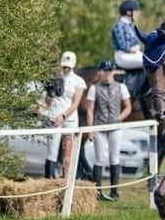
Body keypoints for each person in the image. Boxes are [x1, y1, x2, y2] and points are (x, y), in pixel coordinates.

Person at [84, 60, 132, 201]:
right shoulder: (94, 88)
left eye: (110, 70)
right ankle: (98, 191)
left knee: (114, 157)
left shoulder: (121, 87)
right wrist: (90, 129)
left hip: (115, 126)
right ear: (101, 72)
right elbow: (90, 110)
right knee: (99, 158)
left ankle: (114, 191)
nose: (107, 73)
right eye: (105, 70)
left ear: (113, 72)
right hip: (100, 125)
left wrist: (119, 118)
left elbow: (128, 106)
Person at [43, 51, 87, 179]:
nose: (66, 68)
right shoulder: (54, 78)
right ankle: (49, 180)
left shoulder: (78, 81)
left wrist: (63, 116)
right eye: (64, 65)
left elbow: (75, 103)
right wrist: (39, 109)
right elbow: (48, 100)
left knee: (67, 150)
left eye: (68, 65)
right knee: (52, 149)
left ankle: (66, 179)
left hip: (69, 118)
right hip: (53, 116)